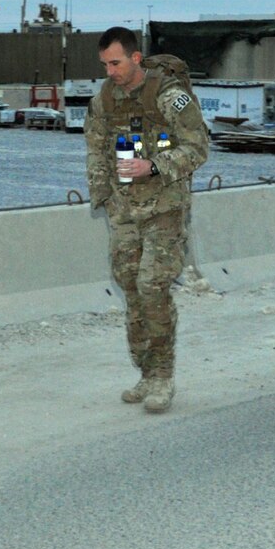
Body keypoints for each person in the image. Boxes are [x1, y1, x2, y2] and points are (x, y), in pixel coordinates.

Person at [85, 27, 211, 413]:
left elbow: (199, 146)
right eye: (105, 64)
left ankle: (163, 376)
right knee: (130, 287)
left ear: (136, 58)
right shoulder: (104, 99)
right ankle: (146, 369)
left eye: (116, 63)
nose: (110, 71)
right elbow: (95, 147)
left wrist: (153, 166)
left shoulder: (170, 97)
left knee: (152, 285)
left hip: (164, 209)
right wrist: (103, 195)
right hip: (123, 211)